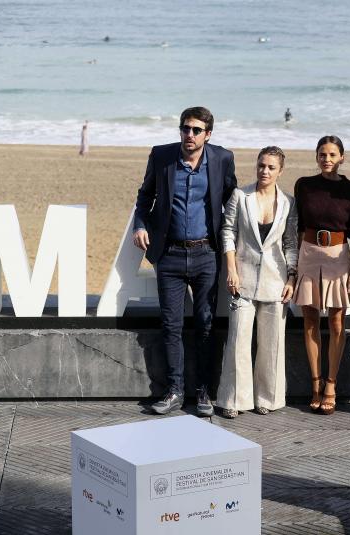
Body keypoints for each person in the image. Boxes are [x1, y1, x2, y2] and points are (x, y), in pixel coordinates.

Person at [133, 106, 237, 416]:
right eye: (184, 128)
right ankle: (175, 391)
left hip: (207, 254)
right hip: (170, 255)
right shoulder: (162, 156)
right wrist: (140, 224)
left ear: (208, 134)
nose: (188, 135)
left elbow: (232, 200)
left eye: (195, 130)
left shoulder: (222, 158)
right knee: (171, 326)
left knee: (205, 325)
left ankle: (203, 391)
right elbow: (145, 196)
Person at [216, 146, 298, 418]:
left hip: (276, 280)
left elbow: (290, 243)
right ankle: (234, 400)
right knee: (238, 340)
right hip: (242, 279)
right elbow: (227, 232)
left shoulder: (288, 202)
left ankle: (268, 398)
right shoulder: (241, 196)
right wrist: (231, 269)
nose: (265, 171)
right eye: (261, 165)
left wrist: (292, 277)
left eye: (271, 167)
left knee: (272, 343)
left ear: (280, 171)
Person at [293, 136, 350, 415]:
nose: (327, 159)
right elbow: (299, 225)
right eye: (322, 154)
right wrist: (295, 265)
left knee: (336, 321)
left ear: (342, 158)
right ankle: (315, 384)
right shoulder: (304, 186)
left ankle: (331, 385)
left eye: (333, 154)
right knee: (310, 319)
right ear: (316, 157)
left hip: (339, 255)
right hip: (309, 254)